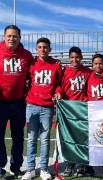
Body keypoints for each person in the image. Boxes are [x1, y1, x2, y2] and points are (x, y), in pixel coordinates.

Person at [21, 37, 62, 180]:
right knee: (31, 138)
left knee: (45, 139)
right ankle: (30, 169)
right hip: (31, 105)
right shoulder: (31, 63)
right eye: (39, 47)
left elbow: (58, 84)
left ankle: (44, 168)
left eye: (45, 47)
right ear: (36, 49)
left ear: (50, 49)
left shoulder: (56, 65)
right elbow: (24, 80)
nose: (42, 49)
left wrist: (58, 92)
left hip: (47, 107)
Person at [0, 25, 34, 179]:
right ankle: (0, 166)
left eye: (15, 36)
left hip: (19, 103)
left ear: (20, 38)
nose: (12, 39)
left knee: (18, 136)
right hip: (1, 102)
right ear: (4, 37)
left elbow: (33, 75)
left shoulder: (26, 55)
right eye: (9, 36)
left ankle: (16, 167)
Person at [59, 46, 92, 177]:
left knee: (82, 138)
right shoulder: (64, 71)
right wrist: (58, 93)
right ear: (69, 58)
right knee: (68, 137)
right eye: (72, 57)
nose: (74, 60)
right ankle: (69, 164)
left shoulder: (87, 71)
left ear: (81, 58)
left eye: (77, 57)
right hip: (68, 108)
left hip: (82, 109)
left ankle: (80, 165)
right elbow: (59, 86)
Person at [87, 53, 103, 176]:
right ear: (92, 65)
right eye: (95, 63)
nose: (98, 66)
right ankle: (90, 165)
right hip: (92, 112)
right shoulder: (88, 76)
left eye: (100, 63)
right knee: (92, 139)